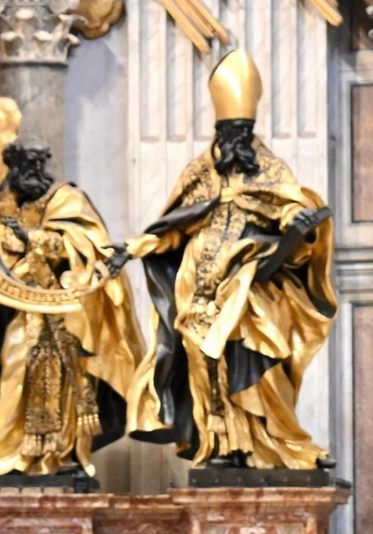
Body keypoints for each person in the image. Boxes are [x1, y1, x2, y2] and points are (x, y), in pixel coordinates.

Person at [107, 48, 336, 468]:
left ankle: (278, 443)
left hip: (251, 288)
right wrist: (134, 246)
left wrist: (296, 219)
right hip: (197, 291)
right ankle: (220, 446)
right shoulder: (199, 172)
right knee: (203, 365)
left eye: (241, 131)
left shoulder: (269, 169)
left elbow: (286, 206)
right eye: (227, 131)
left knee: (257, 360)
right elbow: (172, 227)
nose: (234, 141)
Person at [0, 138, 142, 476]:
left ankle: (59, 455)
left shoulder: (67, 198)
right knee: (15, 368)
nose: (31, 172)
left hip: (65, 310)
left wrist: (32, 239)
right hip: (19, 307)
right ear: (12, 167)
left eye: (37, 164)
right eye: (23, 166)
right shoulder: (1, 205)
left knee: (62, 383)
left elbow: (86, 243)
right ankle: (5, 451)